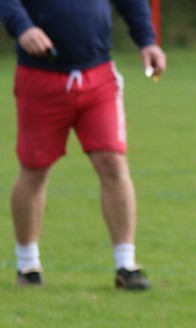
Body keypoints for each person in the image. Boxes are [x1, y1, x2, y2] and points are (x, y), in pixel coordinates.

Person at [1, 0, 166, 289]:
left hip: (98, 75)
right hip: (41, 78)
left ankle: (125, 265)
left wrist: (147, 41)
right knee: (35, 169)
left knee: (113, 162)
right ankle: (28, 264)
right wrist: (23, 27)